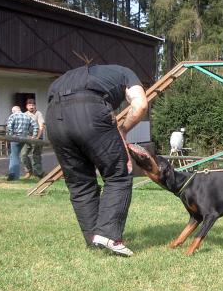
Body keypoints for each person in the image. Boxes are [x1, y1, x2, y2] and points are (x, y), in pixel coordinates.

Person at [45, 64, 148, 257]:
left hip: (53, 118)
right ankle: (108, 235)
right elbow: (140, 104)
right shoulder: (126, 72)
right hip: (89, 110)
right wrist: (123, 130)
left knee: (79, 183)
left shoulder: (66, 77)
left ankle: (94, 239)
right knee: (118, 174)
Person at [6, 106, 38, 181]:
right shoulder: (27, 116)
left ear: (13, 111)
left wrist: (11, 135)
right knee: (15, 155)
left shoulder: (13, 116)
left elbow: (9, 127)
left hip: (16, 137)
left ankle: (14, 175)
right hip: (24, 138)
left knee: (14, 155)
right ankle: (12, 173)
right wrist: (34, 135)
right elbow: (35, 126)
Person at [20, 98, 46, 179]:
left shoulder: (38, 113)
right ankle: (28, 171)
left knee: (36, 156)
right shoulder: (24, 114)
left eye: (33, 105)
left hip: (37, 138)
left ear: (35, 106)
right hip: (27, 138)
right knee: (23, 155)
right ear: (26, 106)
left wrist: (37, 137)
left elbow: (41, 126)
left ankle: (38, 173)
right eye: (29, 105)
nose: (31, 107)